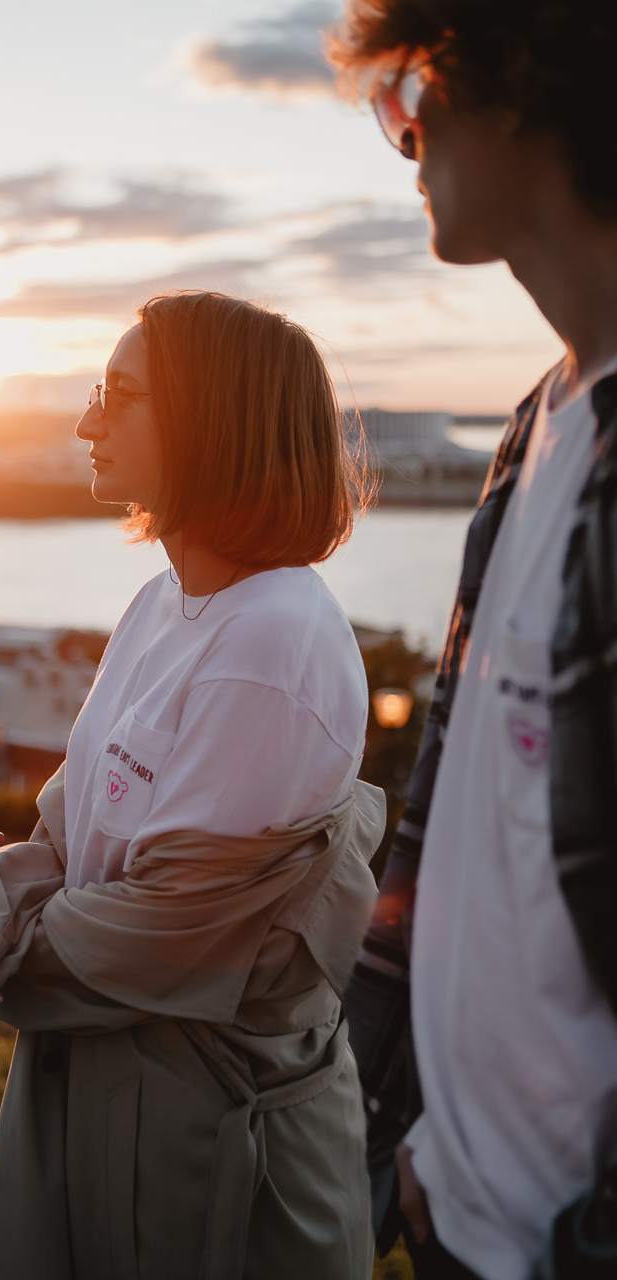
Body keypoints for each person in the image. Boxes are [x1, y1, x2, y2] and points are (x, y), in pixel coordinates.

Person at [0, 290, 386, 1280]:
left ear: (209, 421)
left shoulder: (271, 641)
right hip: (105, 1090)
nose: (88, 420)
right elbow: (67, 822)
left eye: (120, 394)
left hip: (203, 1143)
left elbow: (169, 925)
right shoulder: (162, 602)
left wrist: (3, 948)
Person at [328, 3, 617, 1278]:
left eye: (407, 84)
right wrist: (409, 1138)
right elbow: (453, 835)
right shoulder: (529, 434)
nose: (401, 134)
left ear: (521, 67)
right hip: (452, 1205)